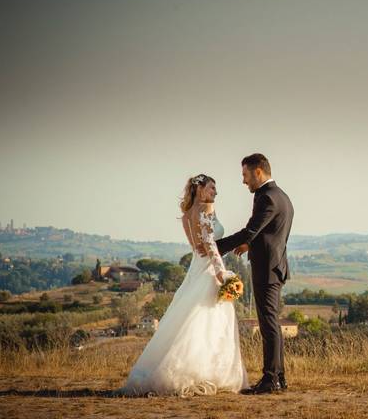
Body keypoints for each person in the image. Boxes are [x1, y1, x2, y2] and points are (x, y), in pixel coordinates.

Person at [121, 174, 249, 396]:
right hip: (209, 267)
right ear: (200, 189)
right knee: (208, 318)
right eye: (211, 188)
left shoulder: (187, 214)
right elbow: (209, 244)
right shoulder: (207, 209)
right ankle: (205, 372)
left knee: (190, 316)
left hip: (196, 266)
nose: (215, 193)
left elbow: (196, 246)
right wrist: (221, 271)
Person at [214, 153, 294, 394]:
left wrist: (216, 247)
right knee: (272, 324)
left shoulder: (267, 198)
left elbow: (251, 230)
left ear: (258, 172)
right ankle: (278, 378)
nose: (244, 181)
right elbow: (269, 232)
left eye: (245, 175)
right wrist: (250, 244)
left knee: (268, 324)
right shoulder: (281, 196)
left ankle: (271, 380)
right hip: (275, 266)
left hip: (267, 269)